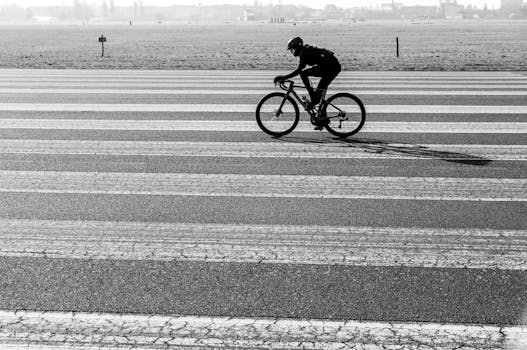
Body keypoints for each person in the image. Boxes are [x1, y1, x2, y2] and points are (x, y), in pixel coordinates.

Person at [274, 36, 341, 127]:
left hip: (331, 67)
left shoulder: (304, 52)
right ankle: (321, 117)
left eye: (292, 49)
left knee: (305, 76)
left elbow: (299, 70)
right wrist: (284, 77)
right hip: (329, 65)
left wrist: (284, 77)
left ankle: (314, 98)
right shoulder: (304, 51)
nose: (292, 51)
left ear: (297, 47)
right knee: (318, 94)